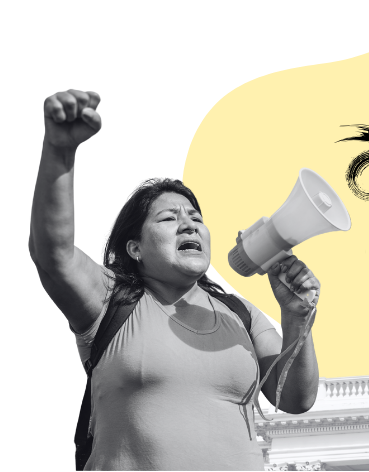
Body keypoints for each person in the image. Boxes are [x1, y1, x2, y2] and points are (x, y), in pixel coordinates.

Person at [29, 89, 323, 470]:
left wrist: (297, 318)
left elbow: (296, 398)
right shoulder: (111, 300)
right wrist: (59, 151)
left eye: (196, 218)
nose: (189, 223)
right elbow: (52, 251)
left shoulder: (240, 312)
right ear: (136, 248)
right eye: (168, 218)